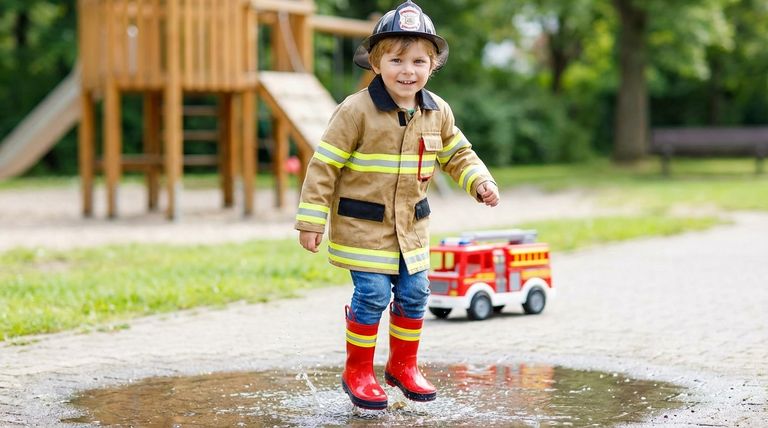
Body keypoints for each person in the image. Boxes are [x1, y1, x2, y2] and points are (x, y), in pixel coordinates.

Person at [294, 0, 499, 410]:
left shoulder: (436, 111)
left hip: (411, 229)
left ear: (433, 65)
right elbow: (324, 167)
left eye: (419, 61)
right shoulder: (355, 112)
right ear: (376, 62)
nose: (409, 70)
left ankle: (403, 365)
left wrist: (480, 181)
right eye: (397, 59)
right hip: (363, 227)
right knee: (371, 295)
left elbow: (458, 154)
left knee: (416, 292)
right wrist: (311, 220)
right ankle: (359, 370)